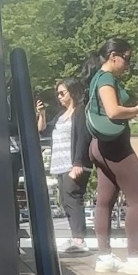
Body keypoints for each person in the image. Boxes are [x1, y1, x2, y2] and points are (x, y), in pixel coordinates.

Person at [84, 37, 138, 275]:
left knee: (104, 201)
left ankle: (105, 257)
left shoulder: (96, 78)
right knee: (137, 199)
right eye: (126, 58)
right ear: (113, 56)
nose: (128, 63)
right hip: (115, 146)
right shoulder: (106, 79)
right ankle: (134, 258)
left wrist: (133, 115)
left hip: (99, 146)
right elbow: (113, 111)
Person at [48, 78, 90, 253]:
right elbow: (44, 130)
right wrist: (41, 114)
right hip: (59, 164)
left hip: (73, 164)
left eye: (62, 93)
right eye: (57, 93)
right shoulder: (60, 115)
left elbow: (83, 137)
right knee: (65, 201)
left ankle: (80, 240)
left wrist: (78, 162)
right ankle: (76, 237)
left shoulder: (79, 112)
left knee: (73, 198)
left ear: (72, 92)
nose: (59, 97)